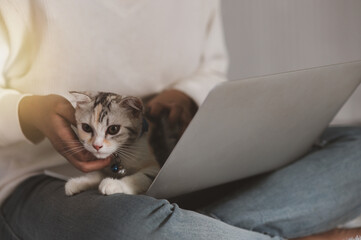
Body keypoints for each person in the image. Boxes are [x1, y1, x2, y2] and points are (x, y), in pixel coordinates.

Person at [0, 0, 361, 239]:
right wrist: (30, 113)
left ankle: (186, 227)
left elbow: (212, 68)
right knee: (123, 225)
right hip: (45, 180)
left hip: (177, 163)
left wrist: (186, 92)